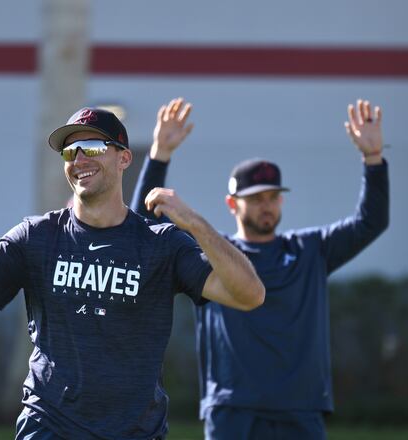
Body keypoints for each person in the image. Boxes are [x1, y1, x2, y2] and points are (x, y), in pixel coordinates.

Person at [0, 107, 265, 439]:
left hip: (134, 432)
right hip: (49, 428)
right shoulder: (36, 237)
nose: (78, 159)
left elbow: (249, 294)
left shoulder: (161, 244)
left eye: (91, 147)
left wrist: (195, 223)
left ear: (124, 158)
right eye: (69, 151)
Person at [132, 98, 390, 439]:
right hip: (232, 411)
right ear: (232, 204)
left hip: (300, 408)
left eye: (272, 197)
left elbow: (370, 222)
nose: (265, 206)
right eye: (254, 199)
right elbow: (142, 229)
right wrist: (159, 154)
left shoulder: (310, 250)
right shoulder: (212, 253)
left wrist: (373, 159)